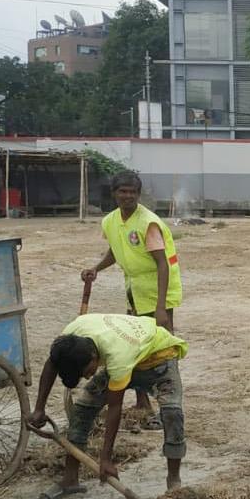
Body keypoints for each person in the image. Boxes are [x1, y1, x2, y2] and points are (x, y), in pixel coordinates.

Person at [30, 313, 188, 499]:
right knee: (82, 410)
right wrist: (39, 408)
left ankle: (174, 483)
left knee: (172, 413)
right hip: (128, 350)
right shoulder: (70, 337)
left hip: (158, 357)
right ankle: (70, 480)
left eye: (88, 371)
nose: (89, 377)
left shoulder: (117, 356)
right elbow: (52, 364)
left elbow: (115, 408)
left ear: (94, 356)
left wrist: (106, 459)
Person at [81, 171, 181, 428]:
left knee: (161, 350)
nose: (127, 196)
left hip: (158, 291)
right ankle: (142, 402)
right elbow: (116, 250)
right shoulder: (111, 221)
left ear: (138, 194)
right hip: (134, 291)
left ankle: (168, 408)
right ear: (114, 193)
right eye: (122, 191)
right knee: (135, 345)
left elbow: (162, 264)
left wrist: (160, 308)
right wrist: (96, 268)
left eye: (132, 192)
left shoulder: (148, 222)